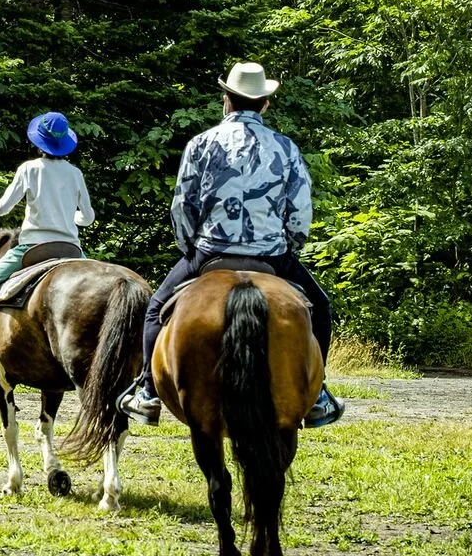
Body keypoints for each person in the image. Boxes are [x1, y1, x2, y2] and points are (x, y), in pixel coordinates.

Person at [118, 62, 344, 428]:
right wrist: (290, 247)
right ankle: (317, 393)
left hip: (211, 252)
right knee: (319, 306)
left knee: (155, 307)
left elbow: (183, 204)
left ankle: (147, 389)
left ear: (226, 100)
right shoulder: (285, 148)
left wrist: (189, 246)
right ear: (265, 104)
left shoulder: (201, 144)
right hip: (272, 255)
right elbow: (300, 208)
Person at [0, 112, 94, 362]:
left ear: (39, 142)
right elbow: (87, 217)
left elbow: (3, 208)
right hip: (71, 249)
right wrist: (71, 219)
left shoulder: (29, 169)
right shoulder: (75, 174)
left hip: (33, 246)